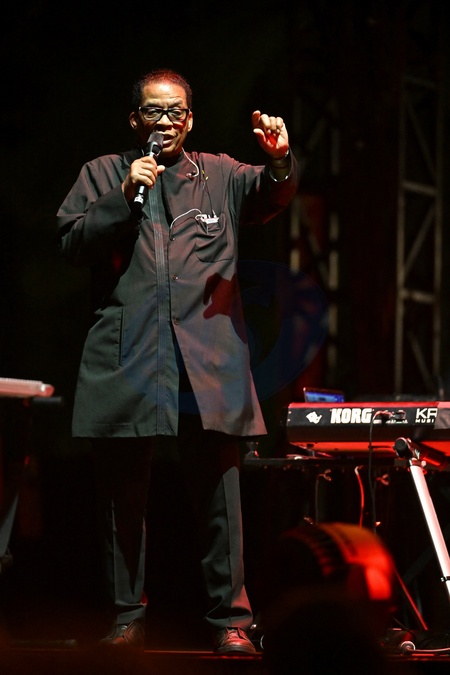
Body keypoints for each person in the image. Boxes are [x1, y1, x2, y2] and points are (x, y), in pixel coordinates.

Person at [57, 68, 299, 653]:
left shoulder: (220, 174)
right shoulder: (102, 174)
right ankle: (126, 618)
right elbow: (71, 243)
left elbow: (271, 194)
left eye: (174, 112)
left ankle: (230, 621)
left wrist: (279, 161)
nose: (163, 122)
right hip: (128, 355)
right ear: (134, 119)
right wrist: (122, 198)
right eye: (152, 111)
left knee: (220, 498)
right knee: (122, 499)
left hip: (205, 360)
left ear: (189, 120)